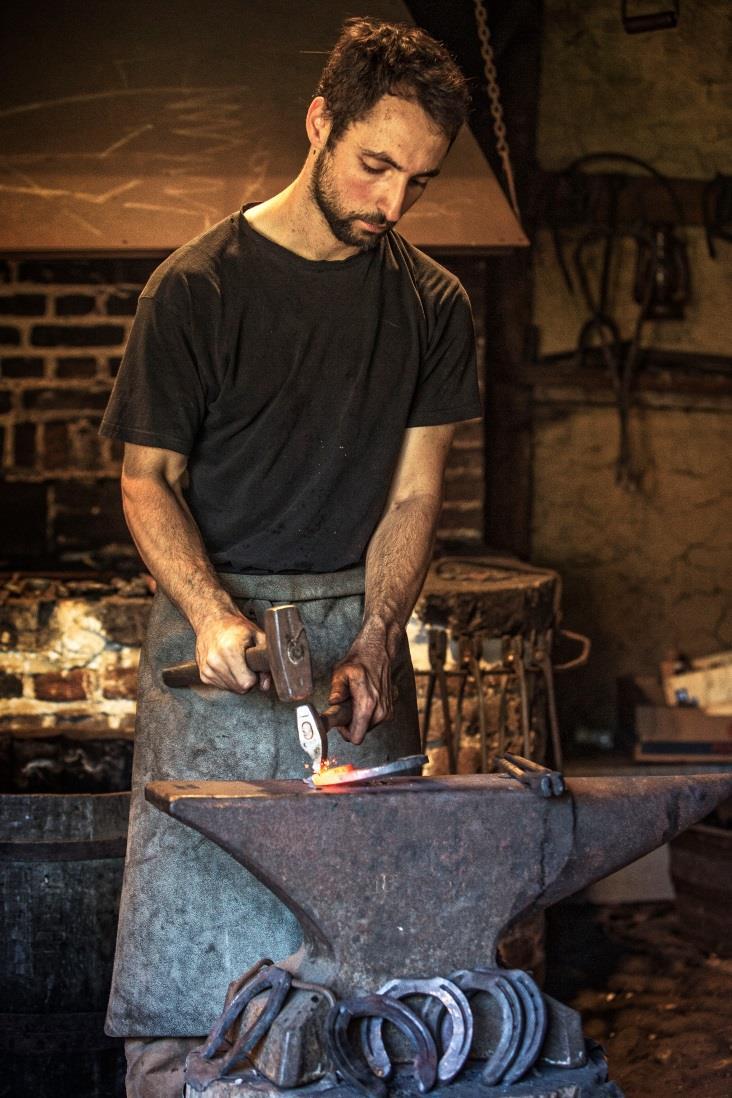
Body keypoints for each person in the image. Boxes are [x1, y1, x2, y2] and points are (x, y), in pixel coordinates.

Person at [99, 16, 481, 1097]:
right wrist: (215, 616)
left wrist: (374, 634)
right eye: (374, 166)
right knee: (193, 977)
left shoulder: (434, 306)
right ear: (320, 123)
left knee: (380, 979)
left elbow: (414, 494)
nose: (392, 205)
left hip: (359, 637)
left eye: (419, 179)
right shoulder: (197, 289)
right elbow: (147, 482)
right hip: (210, 641)